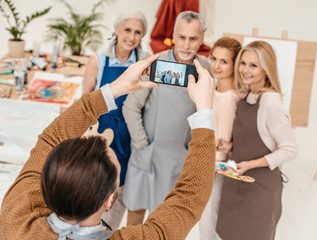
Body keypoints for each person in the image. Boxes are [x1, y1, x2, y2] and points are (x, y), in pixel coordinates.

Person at [0, 55, 217, 240]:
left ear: (45, 181)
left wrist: (116, 87)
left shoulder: (17, 215)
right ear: (109, 200)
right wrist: (205, 109)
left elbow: (52, 136)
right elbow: (189, 199)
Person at [122, 10, 211, 225]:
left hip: (177, 159)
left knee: (163, 219)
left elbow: (206, 110)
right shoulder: (156, 63)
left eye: (193, 38)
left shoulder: (206, 69)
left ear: (202, 38)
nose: (186, 45)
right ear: (173, 34)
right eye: (181, 37)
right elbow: (130, 106)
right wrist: (142, 144)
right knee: (136, 210)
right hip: (147, 154)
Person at [216, 41, 298, 240]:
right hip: (236, 185)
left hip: (259, 192)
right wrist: (231, 146)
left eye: (253, 65)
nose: (245, 70)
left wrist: (250, 164)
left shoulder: (270, 101)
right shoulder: (247, 97)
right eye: (243, 63)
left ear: (266, 69)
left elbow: (290, 149)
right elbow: (259, 139)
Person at [82, 10, 149, 229]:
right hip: (103, 134)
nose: (131, 37)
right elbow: (84, 104)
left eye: (137, 32)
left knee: (124, 191)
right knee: (97, 188)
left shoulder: (145, 62)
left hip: (132, 134)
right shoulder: (98, 60)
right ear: (117, 30)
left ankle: (112, 231)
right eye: (127, 30)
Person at [198, 37, 242, 240]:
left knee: (211, 221)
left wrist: (217, 164)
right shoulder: (212, 90)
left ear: (235, 64)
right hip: (204, 164)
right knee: (203, 221)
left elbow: (228, 139)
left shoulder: (233, 98)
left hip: (219, 169)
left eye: (224, 61)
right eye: (214, 58)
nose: (216, 65)